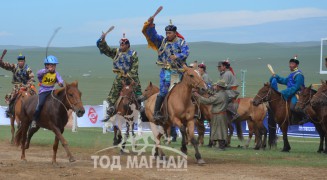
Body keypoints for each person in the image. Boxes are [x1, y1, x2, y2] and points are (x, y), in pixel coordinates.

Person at [142, 17, 190, 123]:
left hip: (179, 71)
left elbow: (186, 52)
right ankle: (157, 113)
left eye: (169, 33)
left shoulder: (182, 43)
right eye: (166, 33)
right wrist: (151, 25)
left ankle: (193, 111)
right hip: (166, 71)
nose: (167, 35)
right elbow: (153, 36)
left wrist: (177, 56)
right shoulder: (162, 41)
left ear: (174, 33)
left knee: (188, 89)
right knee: (163, 91)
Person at [97, 33, 143, 117]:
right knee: (115, 88)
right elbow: (107, 50)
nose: (121, 45)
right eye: (120, 44)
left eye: (123, 44)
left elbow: (135, 66)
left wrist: (129, 74)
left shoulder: (133, 53)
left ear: (128, 45)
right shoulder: (116, 52)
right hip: (120, 76)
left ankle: (140, 106)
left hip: (131, 76)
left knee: (137, 88)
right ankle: (111, 107)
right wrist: (103, 41)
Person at [270, 56, 309, 124]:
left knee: (292, 107)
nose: (290, 65)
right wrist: (277, 77)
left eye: (292, 64)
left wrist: (284, 92)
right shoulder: (292, 74)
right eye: (290, 64)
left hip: (297, 94)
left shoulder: (299, 75)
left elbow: (296, 87)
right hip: (290, 93)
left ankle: (305, 117)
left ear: (296, 65)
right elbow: (285, 81)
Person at [193, 79, 229, 150]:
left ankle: (221, 146)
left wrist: (198, 96)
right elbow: (214, 94)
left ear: (220, 87)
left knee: (219, 130)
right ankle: (220, 145)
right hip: (221, 115)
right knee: (220, 130)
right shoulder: (224, 94)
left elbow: (208, 101)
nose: (215, 87)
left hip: (218, 115)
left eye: (217, 86)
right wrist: (206, 90)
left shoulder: (219, 95)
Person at [31, 55, 64, 128]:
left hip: (52, 91)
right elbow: (38, 73)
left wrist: (60, 83)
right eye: (51, 65)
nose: (53, 67)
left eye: (54, 65)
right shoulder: (43, 72)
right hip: (43, 91)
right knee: (40, 104)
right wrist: (46, 70)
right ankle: (34, 120)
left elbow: (61, 80)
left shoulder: (56, 73)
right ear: (46, 65)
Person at [0, 52, 35, 117]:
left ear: (24, 61)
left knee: (34, 96)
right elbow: (6, 65)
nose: (20, 62)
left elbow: (32, 78)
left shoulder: (28, 69)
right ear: (18, 61)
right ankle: (10, 110)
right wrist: (1, 63)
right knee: (11, 97)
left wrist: (27, 85)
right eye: (19, 61)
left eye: (22, 61)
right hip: (17, 86)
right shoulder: (14, 66)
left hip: (26, 86)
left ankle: (35, 111)